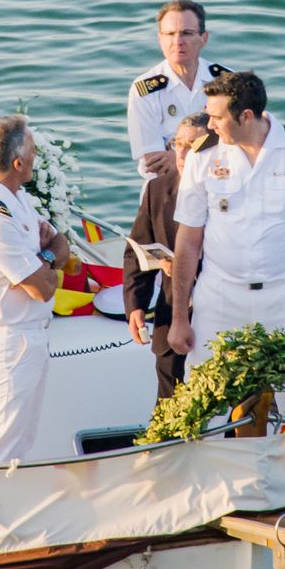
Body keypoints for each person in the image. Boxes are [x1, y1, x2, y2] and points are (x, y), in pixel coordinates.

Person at [167, 71, 285, 368]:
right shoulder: (204, 155)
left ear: (246, 116)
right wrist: (179, 318)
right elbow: (188, 239)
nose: (208, 124)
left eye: (216, 117)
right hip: (219, 298)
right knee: (208, 403)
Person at [0, 115, 71, 463]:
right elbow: (42, 286)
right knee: (1, 446)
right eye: (33, 151)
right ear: (19, 162)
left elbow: (54, 240)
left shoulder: (15, 198)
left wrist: (47, 255)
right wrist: (51, 255)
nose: (36, 157)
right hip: (8, 342)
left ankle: (3, 510)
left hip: (26, 336)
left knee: (19, 441)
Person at [122, 112, 210, 399]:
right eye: (177, 143)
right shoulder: (157, 189)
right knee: (170, 405)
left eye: (192, 145)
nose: (181, 153)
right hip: (171, 316)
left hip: (218, 314)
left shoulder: (227, 191)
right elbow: (137, 251)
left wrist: (187, 268)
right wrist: (135, 305)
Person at [126, 0, 229, 179]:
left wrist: (177, 156)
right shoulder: (144, 90)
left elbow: (242, 145)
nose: (177, 41)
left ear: (203, 38)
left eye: (186, 33)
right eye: (170, 34)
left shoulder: (228, 83)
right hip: (166, 189)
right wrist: (210, 151)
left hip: (221, 184)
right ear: (160, 39)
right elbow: (154, 163)